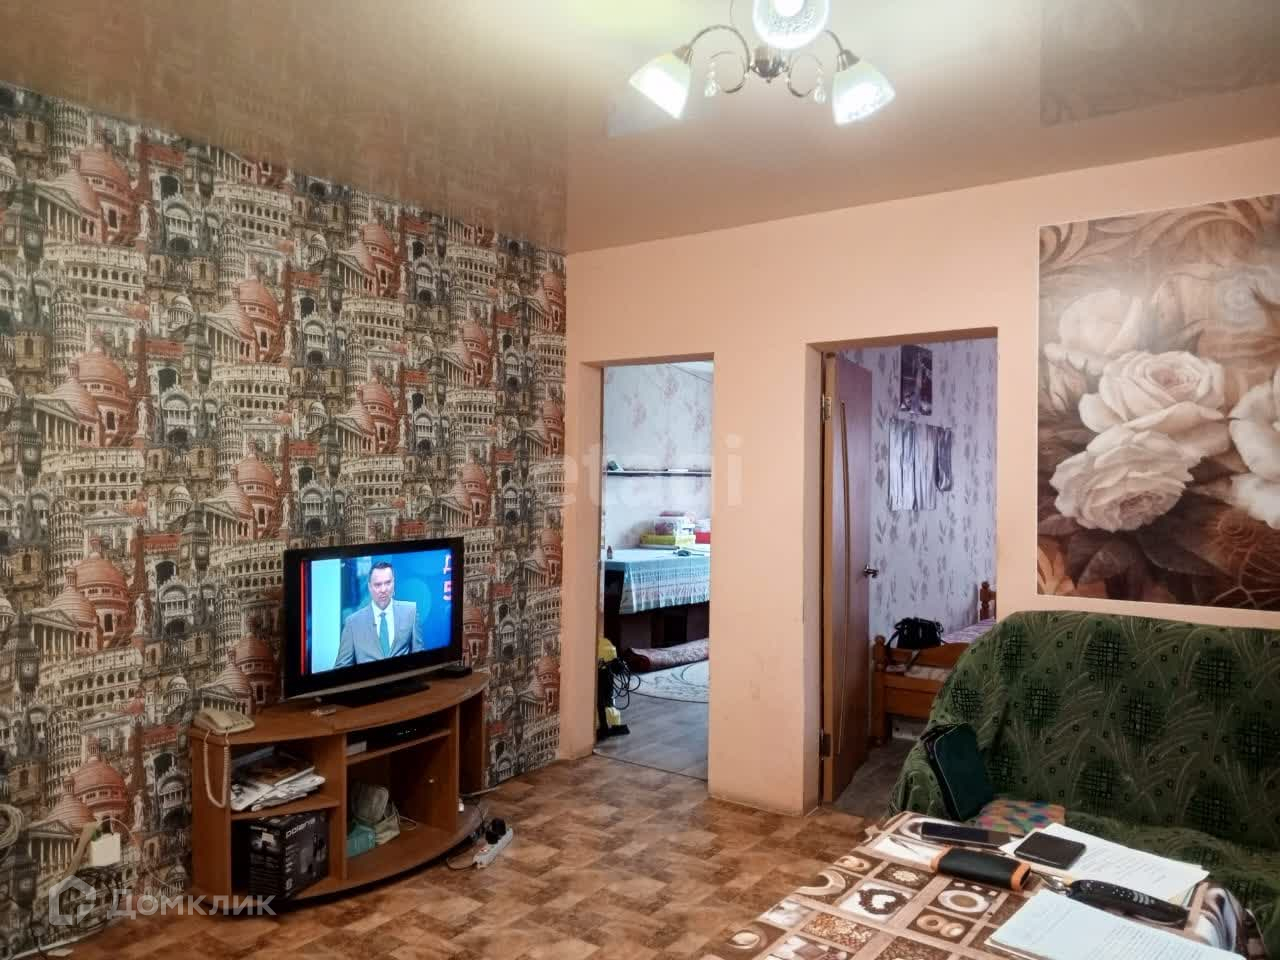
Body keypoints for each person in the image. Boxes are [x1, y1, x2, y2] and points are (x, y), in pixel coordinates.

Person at [334, 561, 421, 666]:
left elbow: (419, 657)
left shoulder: (410, 612)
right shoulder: (352, 623)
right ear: (369, 587)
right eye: (378, 585)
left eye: (388, 583)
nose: (383, 590)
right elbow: (341, 666)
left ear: (394, 583)